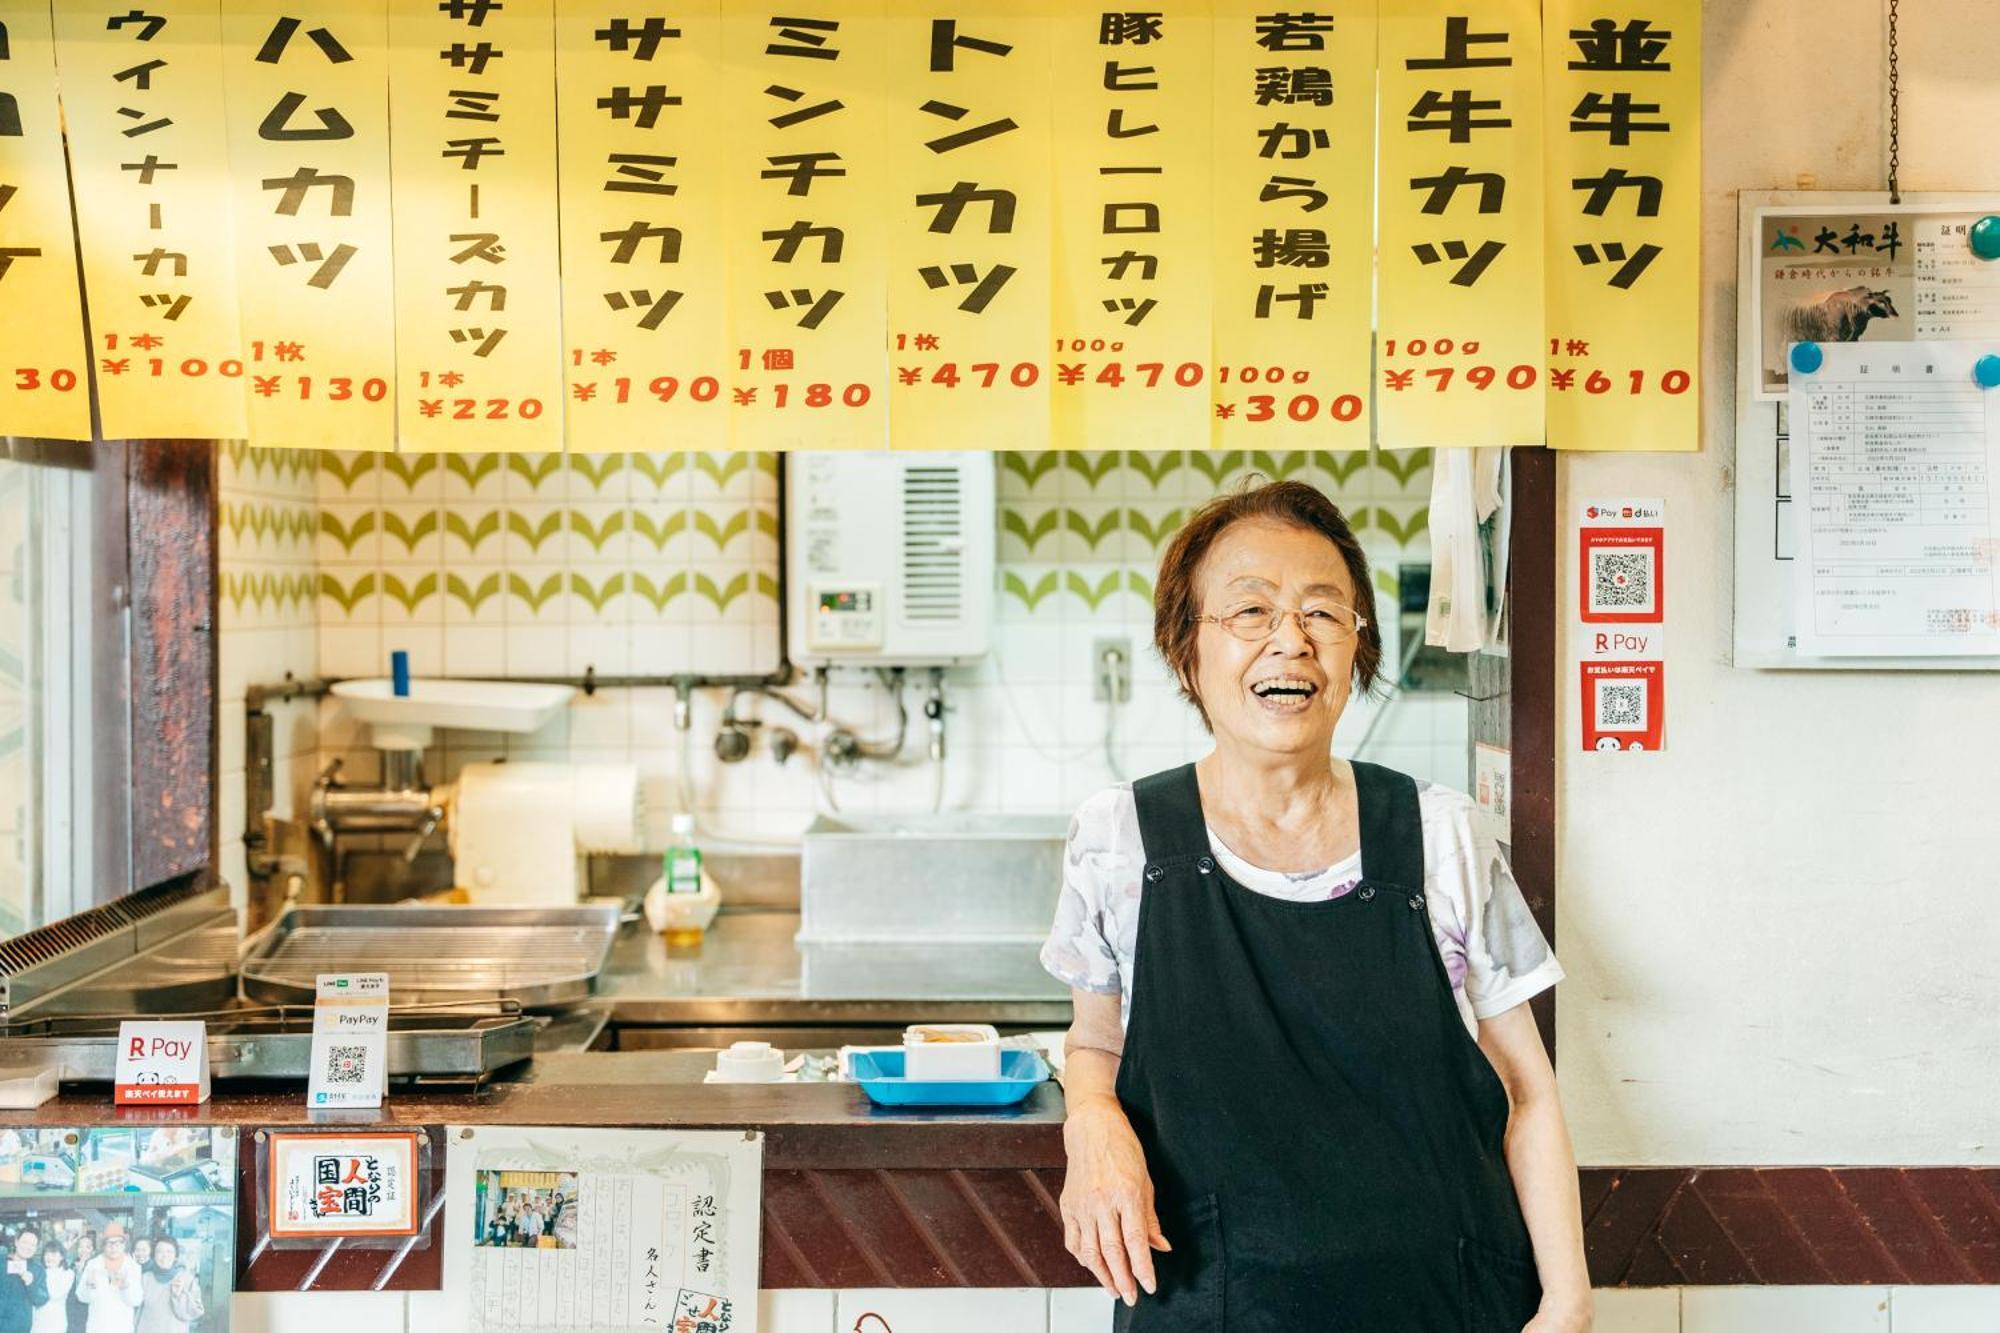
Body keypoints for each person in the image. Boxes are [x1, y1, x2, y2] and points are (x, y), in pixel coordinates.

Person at [1044, 481, 1593, 1332]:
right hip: (1211, 1309)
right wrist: (1092, 1121)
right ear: (1187, 648)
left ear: (1356, 648)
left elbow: (1527, 1091)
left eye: (1324, 614)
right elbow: (1095, 1040)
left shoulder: (1438, 834)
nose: (1290, 641)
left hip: (1446, 1304)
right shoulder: (1120, 840)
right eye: (1250, 612)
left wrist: (1568, 1300)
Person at [74, 1223, 141, 1333]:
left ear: (124, 1244)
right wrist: (89, 1286)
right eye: (109, 1243)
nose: (113, 1247)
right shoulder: (93, 1264)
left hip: (122, 1327)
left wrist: (125, 1287)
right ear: (103, 1245)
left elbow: (137, 1301)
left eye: (118, 1243)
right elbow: (81, 1297)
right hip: (96, 1327)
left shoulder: (133, 1266)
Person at [133, 1239, 199, 1333]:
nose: (164, 1255)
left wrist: (178, 1296)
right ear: (153, 1256)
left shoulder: (187, 1280)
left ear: (176, 1256)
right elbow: (137, 1312)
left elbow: (194, 1312)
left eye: (169, 1251)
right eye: (159, 1251)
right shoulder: (145, 1278)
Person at [0, 1230, 47, 1333]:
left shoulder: (37, 1269)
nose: (28, 1247)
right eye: (25, 1242)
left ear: (36, 1248)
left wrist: (31, 1284)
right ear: (16, 1242)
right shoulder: (1, 1262)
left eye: (32, 1245)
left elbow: (41, 1300)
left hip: (20, 1326)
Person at [32, 1247, 69, 1333]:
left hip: (55, 1321)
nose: (49, 1257)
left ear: (62, 1257)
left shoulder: (68, 1273)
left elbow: (55, 1294)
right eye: (46, 1254)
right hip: (38, 1320)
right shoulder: (39, 1271)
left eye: (53, 1254)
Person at [63, 1236, 93, 1333]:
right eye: (80, 1247)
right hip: (70, 1311)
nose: (83, 1250)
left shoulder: (95, 1267)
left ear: (93, 1250)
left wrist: (80, 1273)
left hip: (87, 1312)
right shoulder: (72, 1265)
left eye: (87, 1247)